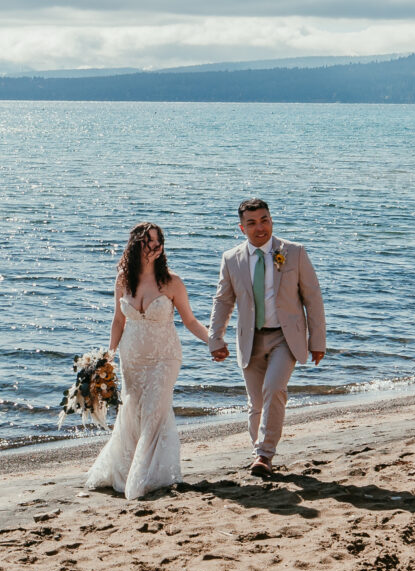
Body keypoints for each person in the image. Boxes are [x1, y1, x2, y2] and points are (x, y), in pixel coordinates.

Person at [87, 222, 216, 500]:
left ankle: (147, 477)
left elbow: (190, 321)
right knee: (133, 411)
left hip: (164, 357)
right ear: (136, 245)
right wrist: (107, 357)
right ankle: (129, 470)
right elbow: (118, 320)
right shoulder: (123, 279)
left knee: (155, 410)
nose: (155, 247)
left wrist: (212, 340)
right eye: (148, 242)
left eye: (158, 242)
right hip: (131, 358)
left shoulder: (171, 282)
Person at [207, 199, 326, 473]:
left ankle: (264, 455)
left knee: (274, 389)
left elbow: (313, 298)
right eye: (252, 223)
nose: (260, 227)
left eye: (265, 220)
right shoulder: (231, 259)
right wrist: (216, 338)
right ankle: (258, 453)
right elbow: (223, 301)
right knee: (256, 402)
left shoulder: (294, 253)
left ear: (271, 220)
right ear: (242, 228)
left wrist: (317, 341)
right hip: (250, 339)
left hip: (286, 337)